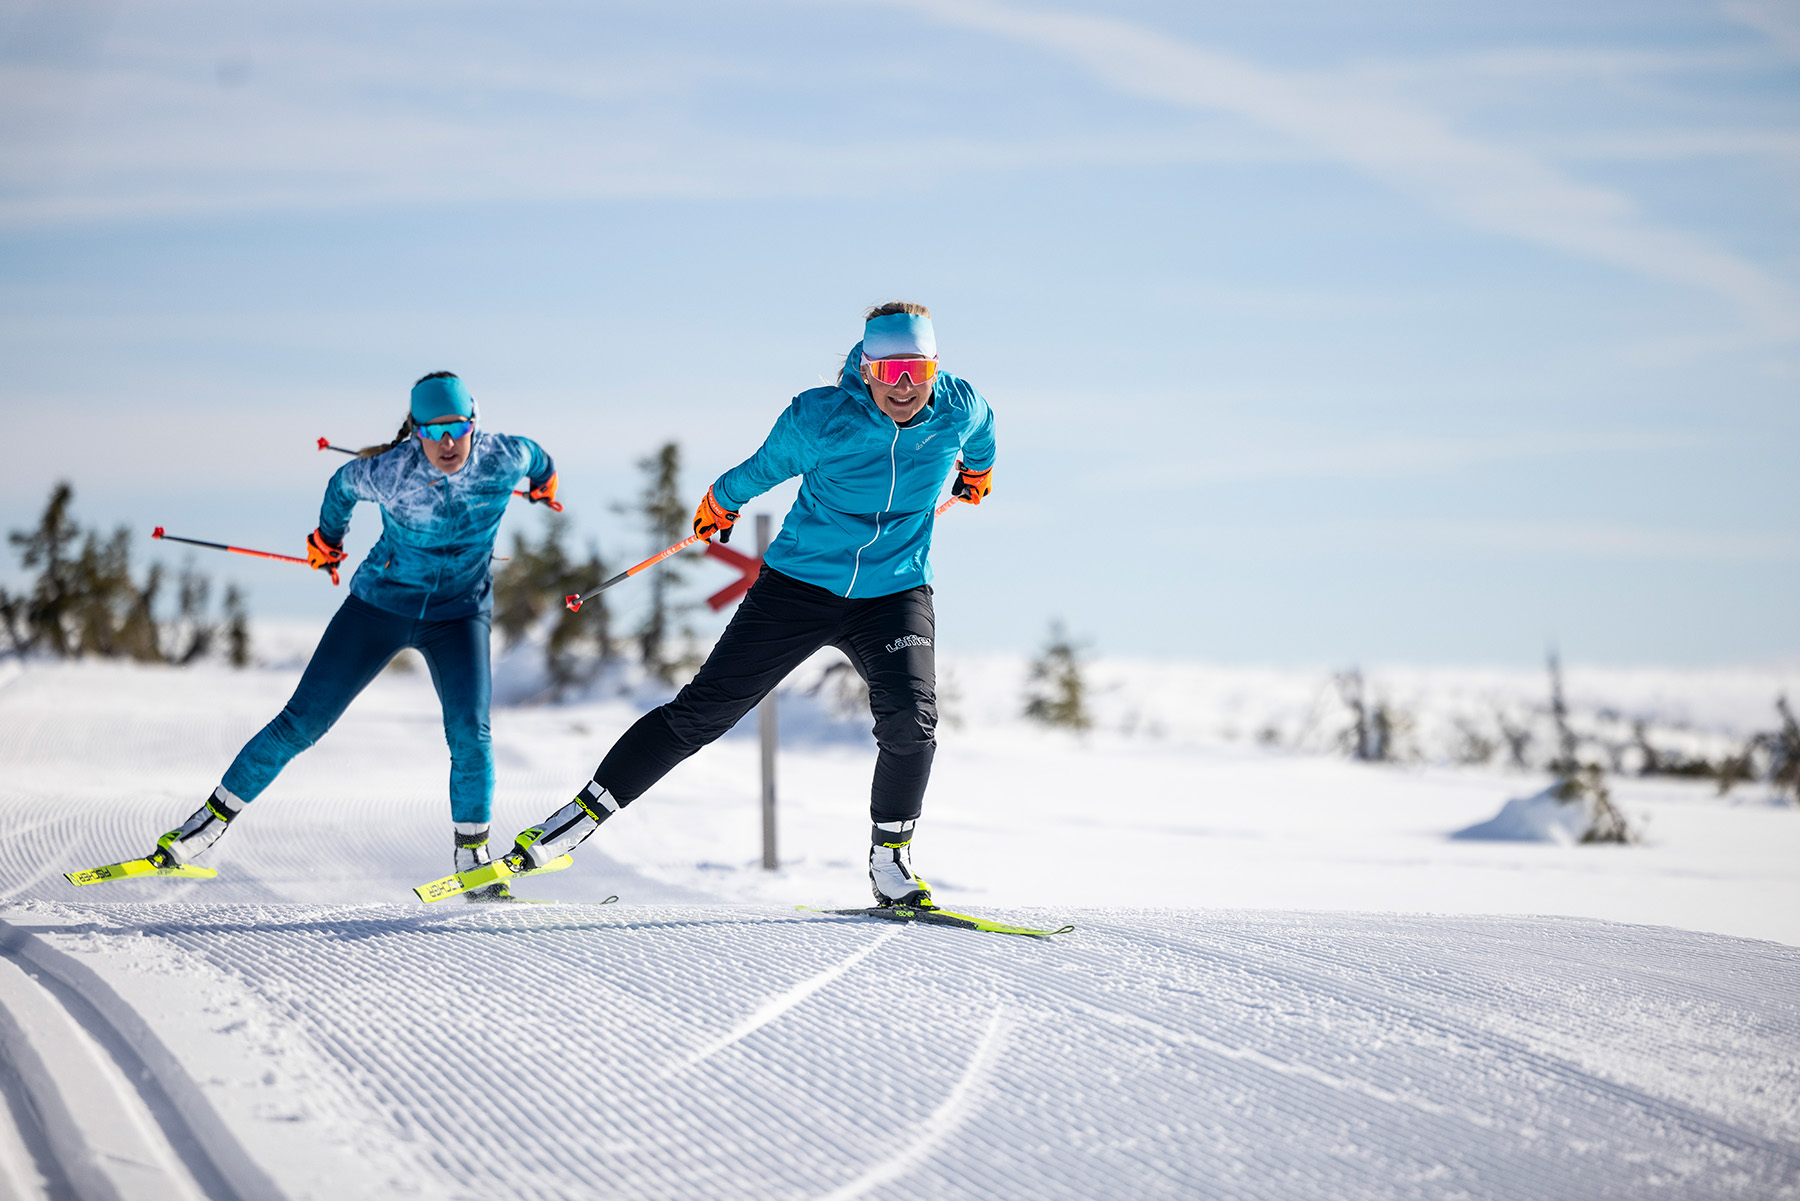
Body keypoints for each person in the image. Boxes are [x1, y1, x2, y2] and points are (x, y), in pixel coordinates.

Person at [497, 301, 994, 907]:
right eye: (888, 372)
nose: (904, 386)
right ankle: (570, 826)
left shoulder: (960, 407)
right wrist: (720, 501)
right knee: (703, 714)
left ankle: (891, 860)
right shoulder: (821, 419)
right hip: (799, 587)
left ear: (935, 368)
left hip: (895, 589)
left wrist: (977, 470)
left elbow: (984, 432)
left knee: (911, 723)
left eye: (916, 370)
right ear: (865, 370)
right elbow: (762, 470)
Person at [142, 372, 561, 901]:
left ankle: (472, 860)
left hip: (460, 615)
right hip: (379, 605)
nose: (448, 443)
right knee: (301, 724)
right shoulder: (389, 472)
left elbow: (540, 460)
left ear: (474, 424)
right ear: (416, 431)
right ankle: (199, 832)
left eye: (458, 428)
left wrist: (545, 487)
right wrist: (327, 540)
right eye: (434, 432)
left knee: (470, 734)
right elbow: (342, 485)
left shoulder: (504, 457)